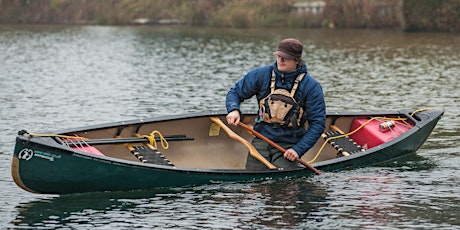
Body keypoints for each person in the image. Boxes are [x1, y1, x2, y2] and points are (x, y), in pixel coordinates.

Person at [226, 38, 326, 170]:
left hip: (289, 144)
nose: (280, 60)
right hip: (261, 139)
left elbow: (318, 124)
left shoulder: (312, 87)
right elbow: (235, 93)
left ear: (297, 60)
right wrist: (234, 109)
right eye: (279, 56)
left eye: (285, 58)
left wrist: (298, 150)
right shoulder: (260, 75)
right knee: (253, 179)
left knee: (282, 185)